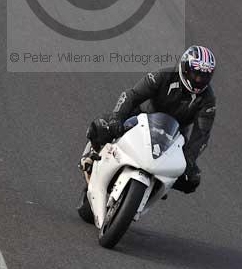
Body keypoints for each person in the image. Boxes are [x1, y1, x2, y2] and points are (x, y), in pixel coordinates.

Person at [80, 45, 217, 194]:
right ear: (184, 68)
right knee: (102, 126)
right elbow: (132, 95)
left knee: (192, 179)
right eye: (196, 74)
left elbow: (202, 134)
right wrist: (116, 118)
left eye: (204, 76)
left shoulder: (208, 100)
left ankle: (158, 187)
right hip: (142, 118)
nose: (199, 80)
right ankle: (91, 155)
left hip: (174, 135)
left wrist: (189, 159)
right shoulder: (163, 76)